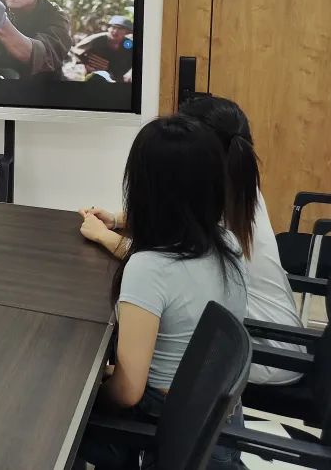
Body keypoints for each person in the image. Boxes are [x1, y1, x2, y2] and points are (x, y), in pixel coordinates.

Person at [81, 95, 304, 385]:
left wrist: (105, 237)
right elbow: (179, 217)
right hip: (257, 337)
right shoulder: (236, 187)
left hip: (265, 349)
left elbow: (169, 270)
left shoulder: (219, 213)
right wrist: (118, 219)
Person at [76, 115, 247, 470]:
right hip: (218, 425)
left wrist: (90, 390)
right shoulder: (227, 243)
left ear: (144, 188)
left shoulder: (148, 268)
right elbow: (174, 273)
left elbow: (128, 393)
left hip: (160, 424)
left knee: (55, 409)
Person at [71, 15, 134, 82]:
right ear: (109, 28)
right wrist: (86, 64)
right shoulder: (96, 39)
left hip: (117, 75)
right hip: (95, 74)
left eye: (120, 29)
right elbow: (76, 50)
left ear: (126, 32)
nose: (115, 31)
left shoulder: (128, 43)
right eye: (113, 27)